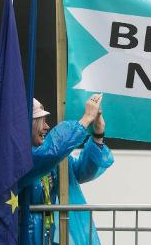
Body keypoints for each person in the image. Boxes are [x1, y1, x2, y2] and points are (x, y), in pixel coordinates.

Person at [18, 94, 114, 245]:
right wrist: (86, 118)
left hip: (46, 234)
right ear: (24, 125)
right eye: (40, 121)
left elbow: (81, 171)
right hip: (20, 235)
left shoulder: (48, 156)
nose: (46, 127)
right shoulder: (13, 156)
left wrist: (97, 135)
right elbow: (50, 153)